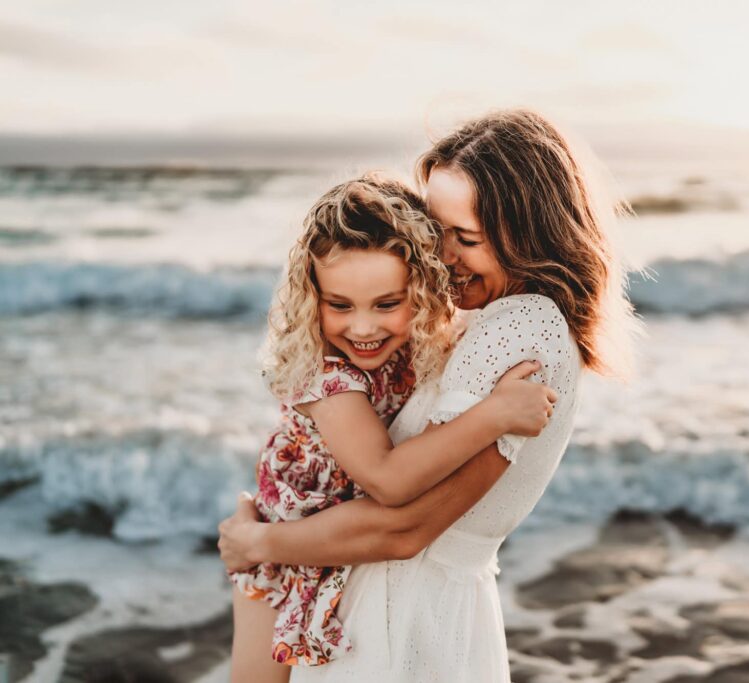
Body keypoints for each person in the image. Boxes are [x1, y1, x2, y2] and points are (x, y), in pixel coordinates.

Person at [219, 109, 638, 682]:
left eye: (466, 238)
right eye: (435, 233)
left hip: (403, 618)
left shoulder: (521, 328)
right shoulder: (435, 336)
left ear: (535, 234)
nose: (441, 256)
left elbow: (403, 521)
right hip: (371, 602)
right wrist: (261, 542)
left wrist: (262, 542)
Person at [228, 173, 557, 681]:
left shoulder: (418, 348)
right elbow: (387, 478)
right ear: (310, 296)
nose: (362, 328)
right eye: (339, 305)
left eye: (387, 304)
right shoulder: (324, 375)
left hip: (343, 545)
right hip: (282, 554)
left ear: (424, 291)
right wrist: (495, 414)